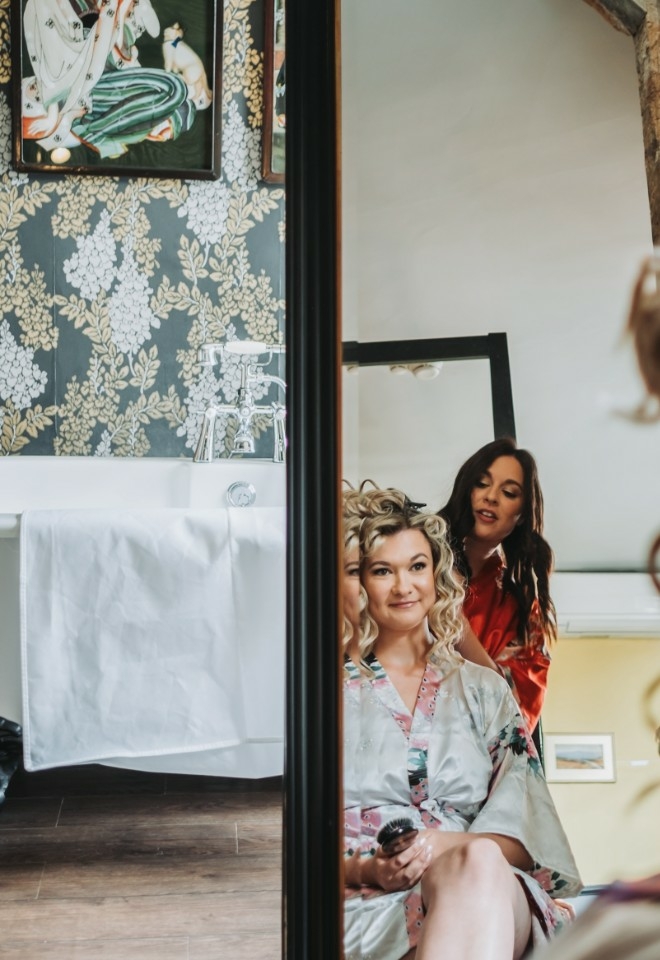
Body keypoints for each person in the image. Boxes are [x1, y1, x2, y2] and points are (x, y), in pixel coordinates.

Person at [342, 486, 581, 960]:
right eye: (383, 571)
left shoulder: (484, 690)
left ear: (437, 576)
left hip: (484, 890)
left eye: (417, 566)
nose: (404, 586)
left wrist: (440, 846)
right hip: (363, 899)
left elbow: (525, 839)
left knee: (477, 862)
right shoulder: (321, 695)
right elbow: (290, 839)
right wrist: (370, 871)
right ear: (361, 582)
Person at [439, 437, 556, 732]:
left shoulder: (521, 613)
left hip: (465, 759)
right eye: (481, 483)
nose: (490, 497)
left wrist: (457, 623)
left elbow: (513, 718)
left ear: (520, 515)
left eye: (508, 492)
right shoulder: (416, 560)